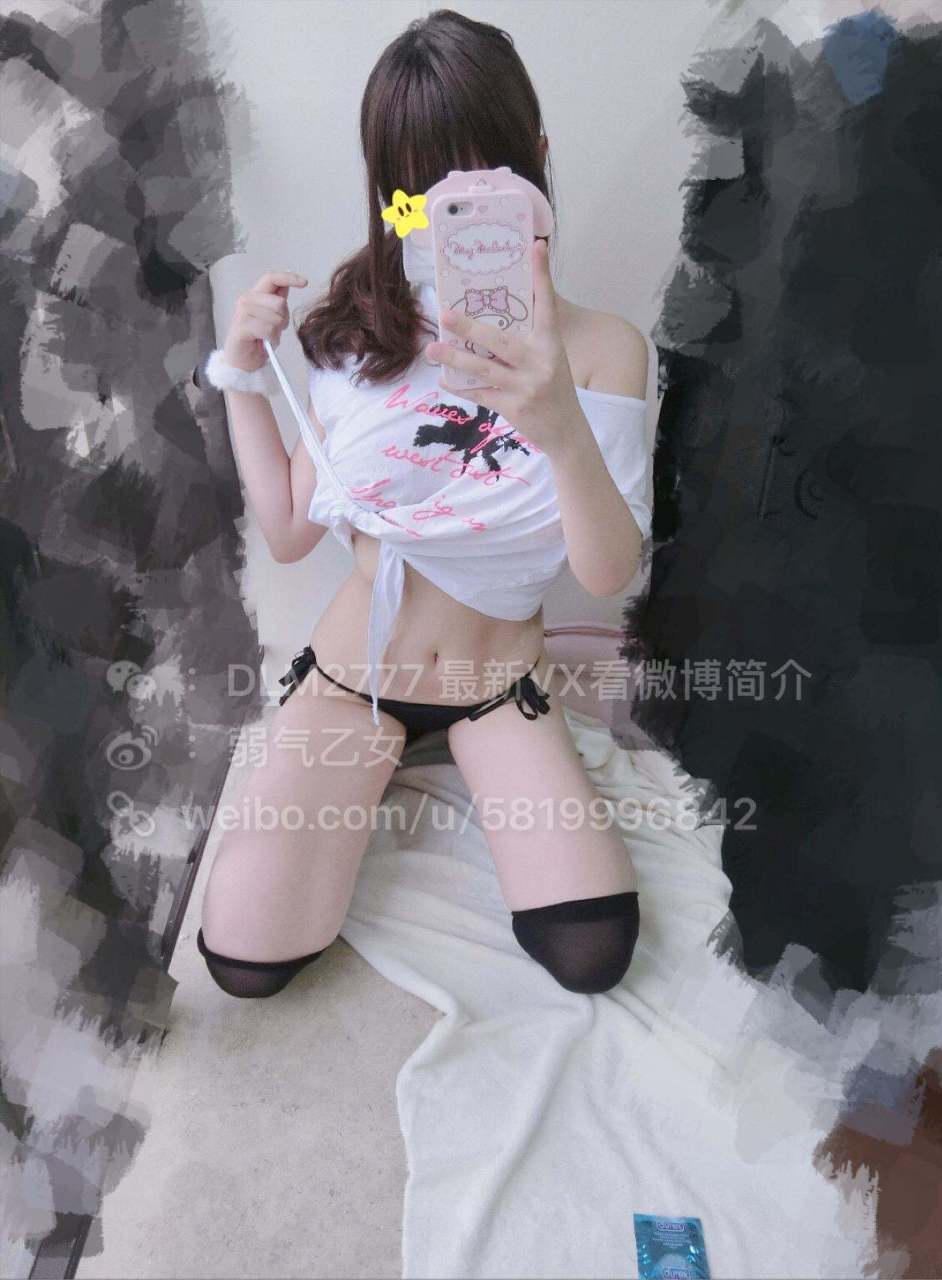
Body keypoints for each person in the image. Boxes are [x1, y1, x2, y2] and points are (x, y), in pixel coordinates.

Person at [196, 8, 651, 999]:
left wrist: (558, 420)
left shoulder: (606, 349)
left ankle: (464, 749)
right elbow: (288, 532)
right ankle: (375, 750)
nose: (449, 215)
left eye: (479, 183)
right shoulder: (358, 331)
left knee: (592, 951)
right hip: (354, 676)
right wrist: (241, 375)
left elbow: (609, 569)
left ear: (536, 159)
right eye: (418, 190)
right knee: (245, 959)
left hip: (498, 681)